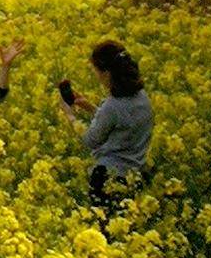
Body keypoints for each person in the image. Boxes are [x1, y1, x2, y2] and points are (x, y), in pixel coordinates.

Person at [59, 38, 154, 206]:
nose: (96, 75)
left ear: (107, 73)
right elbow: (123, 124)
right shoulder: (142, 97)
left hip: (109, 178)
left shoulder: (112, 105)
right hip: (136, 178)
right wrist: (90, 107)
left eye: (96, 70)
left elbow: (91, 140)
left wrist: (71, 117)